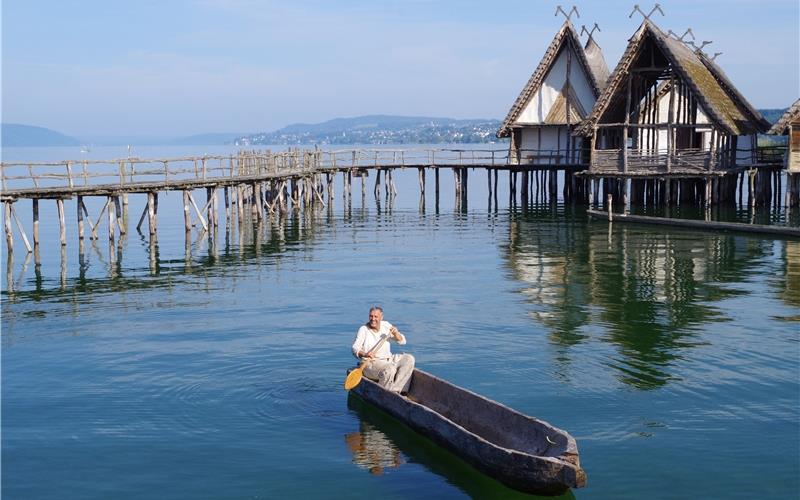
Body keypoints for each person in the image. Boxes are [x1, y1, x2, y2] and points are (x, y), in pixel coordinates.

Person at [351, 306, 415, 393]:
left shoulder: (386, 325)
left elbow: (402, 341)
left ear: (381, 317)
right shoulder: (363, 329)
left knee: (409, 359)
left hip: (388, 359)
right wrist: (365, 354)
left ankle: (396, 389)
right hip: (371, 363)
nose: (373, 319)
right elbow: (355, 348)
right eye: (371, 316)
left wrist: (396, 333)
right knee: (390, 369)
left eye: (376, 316)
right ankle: (384, 393)